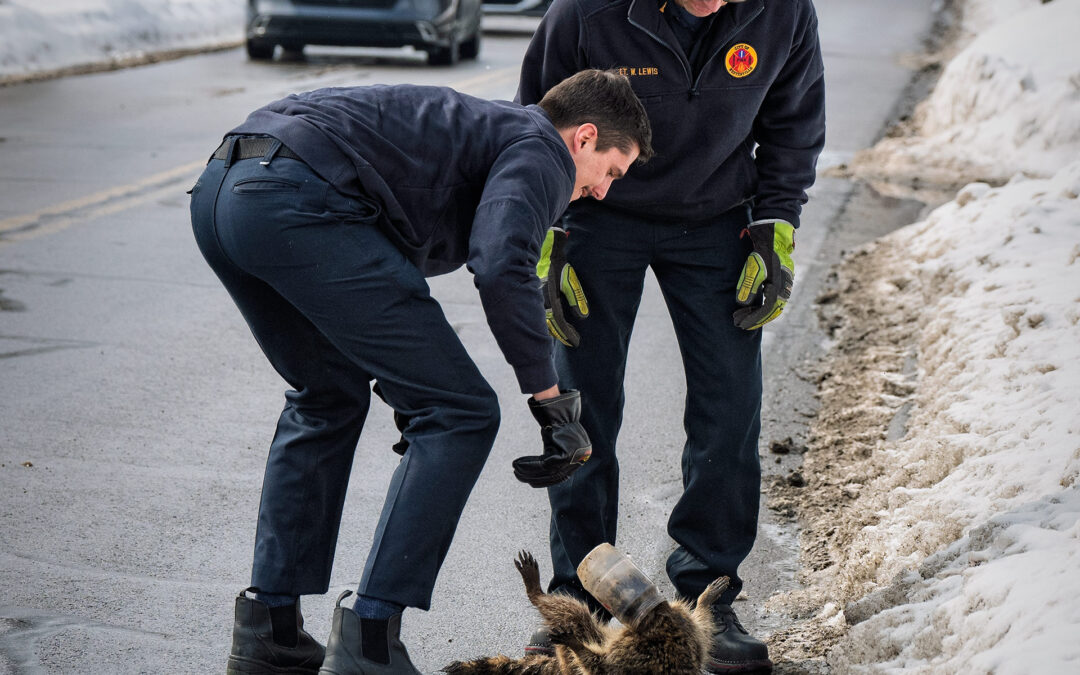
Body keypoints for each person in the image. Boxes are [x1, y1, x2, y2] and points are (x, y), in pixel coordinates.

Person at [189, 69, 653, 675]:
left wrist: (415, 387)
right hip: (296, 199)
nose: (602, 193)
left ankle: (268, 634)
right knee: (461, 412)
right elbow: (501, 263)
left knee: (325, 397)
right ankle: (370, 642)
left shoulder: (484, 132)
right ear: (584, 138)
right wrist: (551, 401)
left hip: (224, 192)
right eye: (612, 172)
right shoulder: (541, 147)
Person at [516, 0, 826, 671]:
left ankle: (708, 594)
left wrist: (775, 227)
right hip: (596, 214)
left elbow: (792, 125)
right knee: (581, 407)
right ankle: (580, 596)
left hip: (718, 216)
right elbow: (535, 123)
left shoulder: (784, 13)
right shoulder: (586, 14)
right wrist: (545, 235)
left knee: (730, 404)